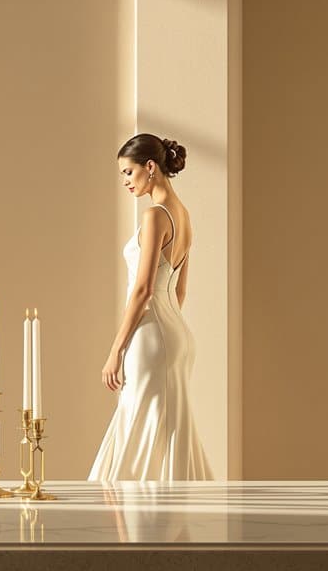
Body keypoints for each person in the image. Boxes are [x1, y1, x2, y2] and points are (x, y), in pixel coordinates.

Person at [88, 133, 213, 481]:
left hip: (151, 336)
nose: (126, 182)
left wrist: (117, 348)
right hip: (176, 335)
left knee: (139, 426)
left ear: (150, 167)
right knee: (165, 428)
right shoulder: (184, 215)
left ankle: (137, 520)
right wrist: (168, 332)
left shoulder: (154, 215)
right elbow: (180, 290)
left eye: (128, 173)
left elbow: (143, 289)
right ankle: (167, 520)